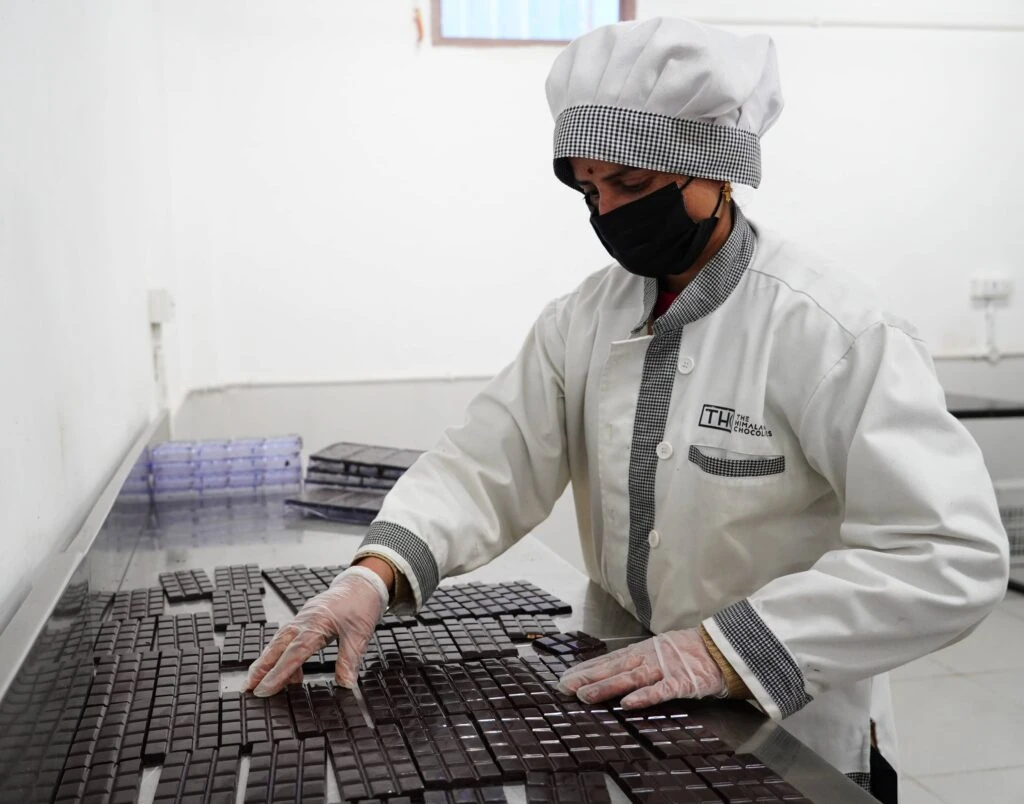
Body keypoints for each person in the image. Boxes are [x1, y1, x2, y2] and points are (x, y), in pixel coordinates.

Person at [245, 17, 1009, 802]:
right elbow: (486, 464)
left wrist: (720, 651)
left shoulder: (832, 332)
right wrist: (372, 577)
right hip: (628, 702)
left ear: (716, 168)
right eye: (590, 190)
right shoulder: (581, 321)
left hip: (789, 724)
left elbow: (948, 552)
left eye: (632, 185)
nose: (608, 210)